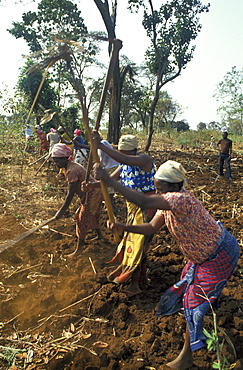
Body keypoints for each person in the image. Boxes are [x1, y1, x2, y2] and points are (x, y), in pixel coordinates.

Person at [94, 159, 240, 370]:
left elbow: (144, 203)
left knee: (192, 300)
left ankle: (187, 356)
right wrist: (122, 226)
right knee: (188, 286)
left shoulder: (180, 199)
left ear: (169, 184)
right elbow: (151, 227)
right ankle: (206, 315)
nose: (154, 183)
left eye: (157, 181)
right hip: (203, 258)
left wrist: (109, 180)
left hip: (218, 255)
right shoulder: (167, 202)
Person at [92, 132, 156, 296]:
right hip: (132, 209)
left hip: (146, 209)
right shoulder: (124, 165)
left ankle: (135, 285)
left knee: (137, 246)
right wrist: (91, 184)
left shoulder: (144, 160)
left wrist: (100, 146)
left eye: (125, 152)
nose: (122, 155)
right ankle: (141, 278)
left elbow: (125, 160)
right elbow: (107, 181)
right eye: (120, 152)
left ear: (134, 150)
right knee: (133, 244)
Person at [51, 143, 103, 257]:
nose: (56, 164)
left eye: (58, 161)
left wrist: (61, 211)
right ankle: (100, 235)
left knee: (81, 220)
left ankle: (78, 250)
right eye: (54, 161)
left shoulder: (71, 170)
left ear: (65, 158)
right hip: (93, 192)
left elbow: (70, 194)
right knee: (92, 214)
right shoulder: (68, 167)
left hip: (92, 193)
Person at [97, 139, 119, 207]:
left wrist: (99, 166)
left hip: (111, 166)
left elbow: (103, 158)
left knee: (109, 186)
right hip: (111, 165)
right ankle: (109, 203)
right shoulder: (102, 144)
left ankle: (110, 205)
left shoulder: (102, 145)